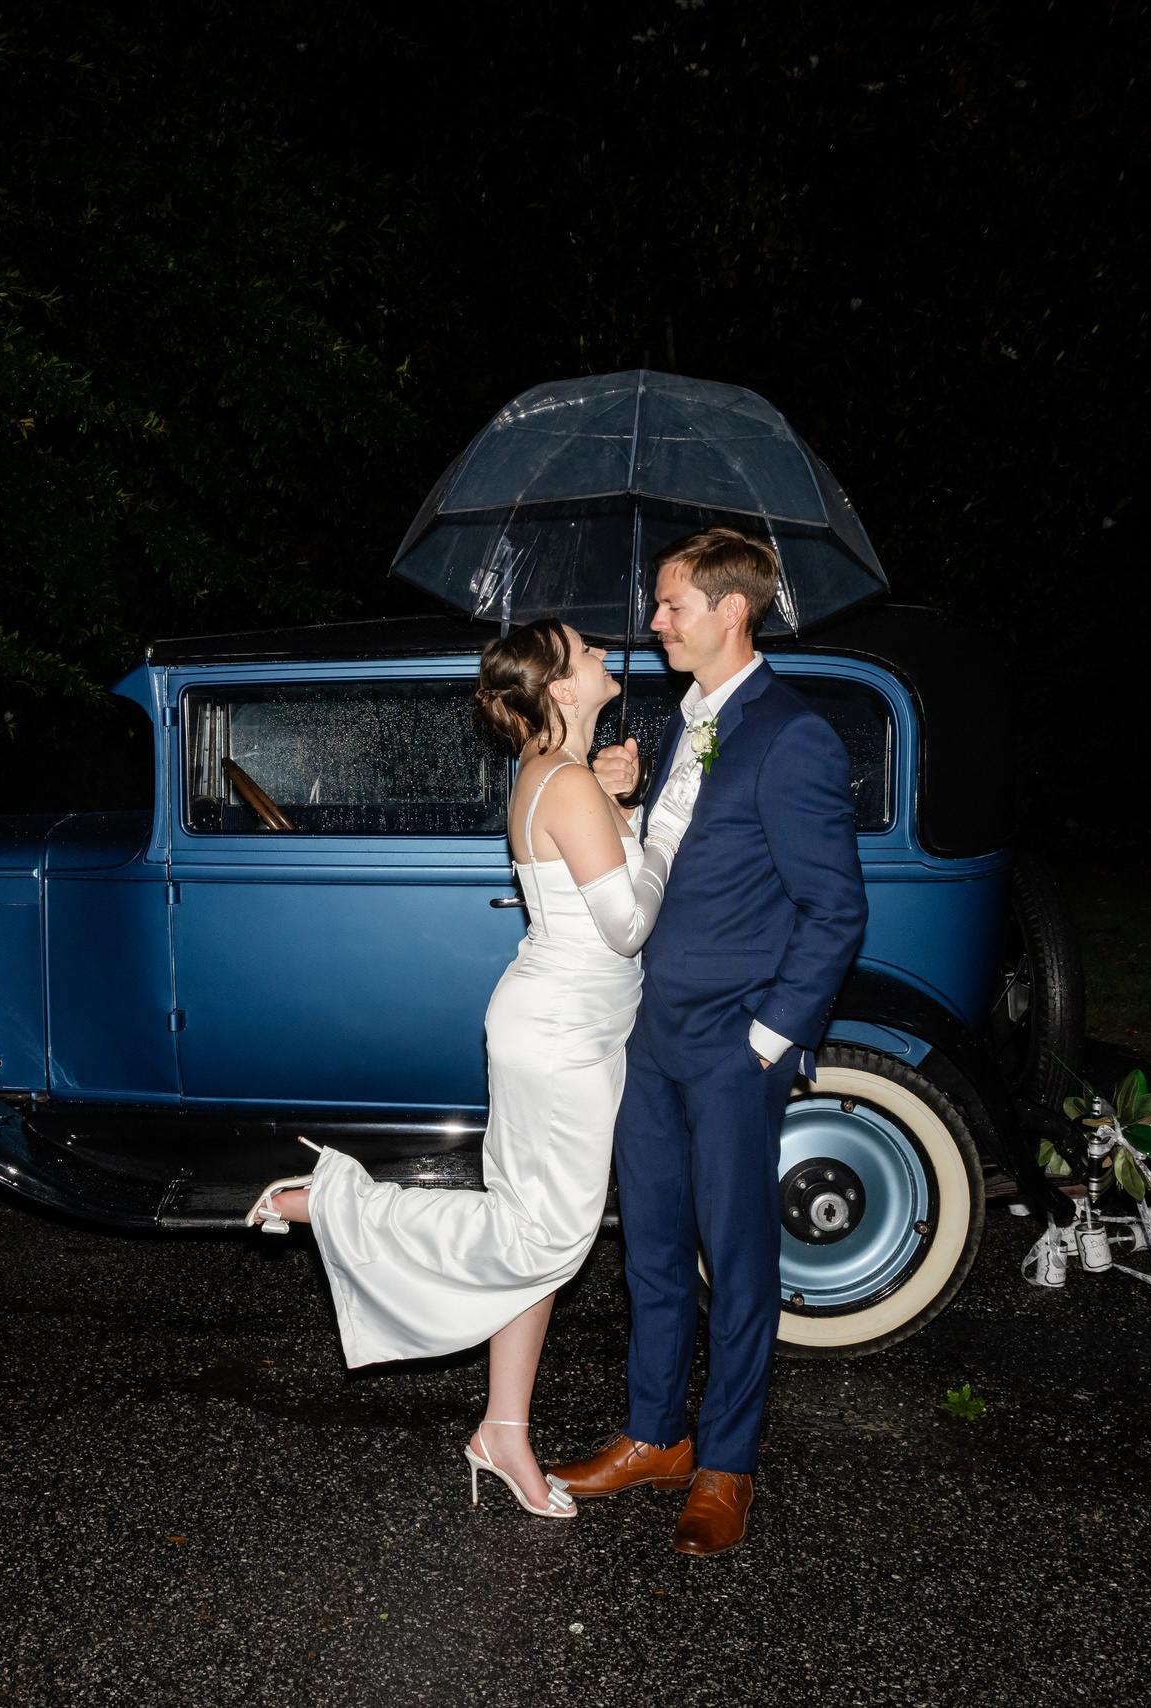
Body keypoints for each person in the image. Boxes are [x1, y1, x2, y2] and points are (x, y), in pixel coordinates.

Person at [242, 618, 700, 1518]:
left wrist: (627, 801)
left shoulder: (563, 772)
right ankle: (333, 1202)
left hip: (574, 1028)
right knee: (547, 1240)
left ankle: (504, 1432)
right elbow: (631, 924)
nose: (609, 652)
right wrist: (667, 821)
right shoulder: (563, 781)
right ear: (562, 690)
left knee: (529, 1235)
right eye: (587, 650)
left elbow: (602, 875)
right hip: (560, 1038)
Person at [544, 527, 868, 1557]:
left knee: (735, 1258)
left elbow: (835, 910)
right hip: (650, 1034)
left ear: (732, 611)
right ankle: (655, 1435)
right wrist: (631, 801)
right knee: (647, 1246)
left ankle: (726, 1464)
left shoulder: (793, 735)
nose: (653, 620)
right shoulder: (688, 725)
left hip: (734, 1046)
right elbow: (676, 874)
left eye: (671, 603)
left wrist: (770, 1038)